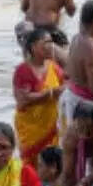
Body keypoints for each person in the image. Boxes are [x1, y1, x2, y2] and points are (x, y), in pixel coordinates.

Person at [14, 28, 67, 162]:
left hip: (51, 127)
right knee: (30, 163)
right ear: (33, 47)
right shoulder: (23, 70)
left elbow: (66, 84)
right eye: (45, 43)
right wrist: (51, 93)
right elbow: (22, 100)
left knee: (52, 162)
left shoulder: (53, 67)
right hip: (31, 128)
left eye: (51, 42)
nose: (50, 46)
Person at [59, 1, 93, 136]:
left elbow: (78, 72)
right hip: (85, 107)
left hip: (72, 95)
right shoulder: (91, 47)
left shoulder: (76, 38)